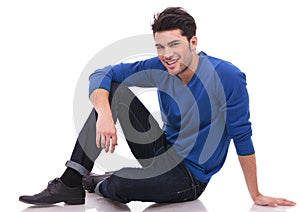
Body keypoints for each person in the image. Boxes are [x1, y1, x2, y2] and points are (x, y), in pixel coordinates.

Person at [19, 7, 296, 207]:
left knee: (118, 187)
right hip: (162, 151)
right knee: (115, 92)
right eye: (159, 47)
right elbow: (102, 73)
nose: (166, 55)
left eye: (174, 44)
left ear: (193, 42)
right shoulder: (160, 66)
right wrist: (104, 112)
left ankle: (99, 181)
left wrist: (256, 194)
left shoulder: (227, 77)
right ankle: (71, 182)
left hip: (189, 177)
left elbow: (242, 136)